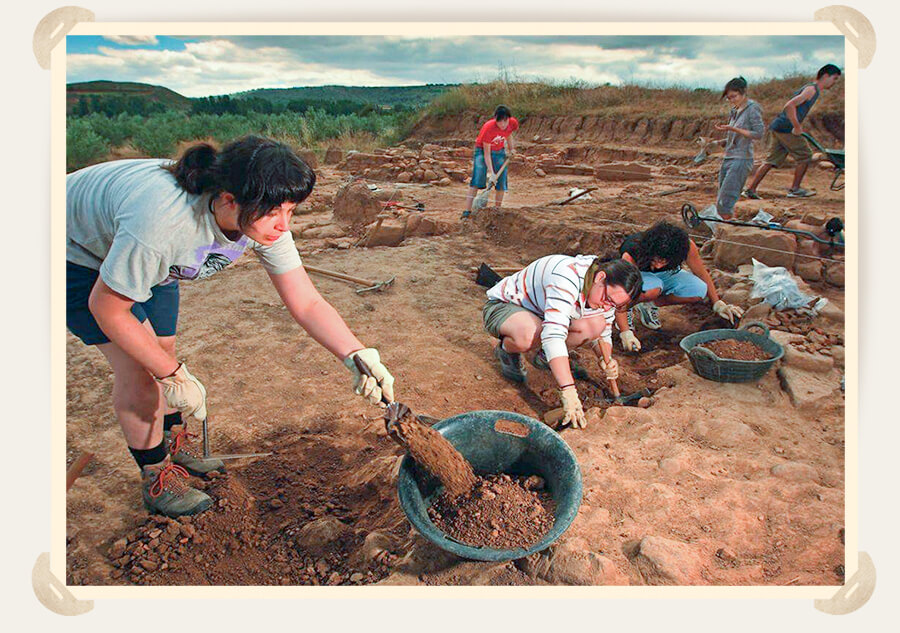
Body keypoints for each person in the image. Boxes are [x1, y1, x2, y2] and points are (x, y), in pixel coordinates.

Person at [66, 136, 396, 517]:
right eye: (273, 212)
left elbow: (306, 301)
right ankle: (156, 474)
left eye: (291, 210)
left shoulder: (258, 216)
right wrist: (171, 376)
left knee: (161, 349)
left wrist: (354, 353)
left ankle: (173, 441)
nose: (283, 225)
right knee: (141, 371)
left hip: (137, 251)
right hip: (74, 252)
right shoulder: (163, 225)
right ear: (228, 200)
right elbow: (107, 307)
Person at [482, 256, 642, 429]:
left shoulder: (603, 296)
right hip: (506, 307)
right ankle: (507, 350)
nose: (606, 307)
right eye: (607, 300)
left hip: (543, 313)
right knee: (530, 334)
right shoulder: (566, 277)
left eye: (614, 305)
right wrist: (568, 391)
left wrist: (605, 358)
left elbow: (603, 332)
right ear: (600, 277)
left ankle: (545, 357)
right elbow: (553, 335)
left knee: (596, 323)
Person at [616, 222, 744, 351]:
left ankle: (649, 305)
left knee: (699, 290)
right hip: (639, 274)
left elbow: (701, 272)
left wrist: (718, 304)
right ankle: (630, 309)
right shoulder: (632, 252)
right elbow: (622, 291)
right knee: (653, 289)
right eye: (656, 260)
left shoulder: (685, 246)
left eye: (665, 261)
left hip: (667, 275)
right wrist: (625, 332)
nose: (659, 265)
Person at [743, 64, 842, 200]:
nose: (834, 83)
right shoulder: (811, 90)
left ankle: (750, 190)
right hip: (786, 127)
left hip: (779, 126)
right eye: (834, 79)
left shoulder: (811, 89)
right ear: (825, 76)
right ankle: (795, 189)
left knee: (771, 160)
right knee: (805, 155)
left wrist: (796, 125)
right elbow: (789, 105)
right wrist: (796, 126)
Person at [713, 77, 765, 219]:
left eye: (734, 96)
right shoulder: (735, 110)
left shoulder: (752, 109)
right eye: (729, 98)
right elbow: (735, 136)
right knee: (722, 196)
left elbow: (758, 133)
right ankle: (726, 225)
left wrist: (734, 130)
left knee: (726, 199)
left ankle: (727, 228)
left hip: (741, 159)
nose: (732, 100)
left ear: (743, 93)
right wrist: (721, 141)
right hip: (729, 156)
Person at [461, 105, 518, 219]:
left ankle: (497, 210)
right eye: (500, 122)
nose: (503, 125)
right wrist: (492, 173)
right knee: (477, 179)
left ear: (508, 119)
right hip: (482, 151)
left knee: (501, 181)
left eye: (505, 121)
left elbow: (509, 134)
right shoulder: (488, 128)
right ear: (495, 119)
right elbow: (487, 154)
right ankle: (467, 211)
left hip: (499, 150)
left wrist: (511, 149)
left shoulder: (512, 123)